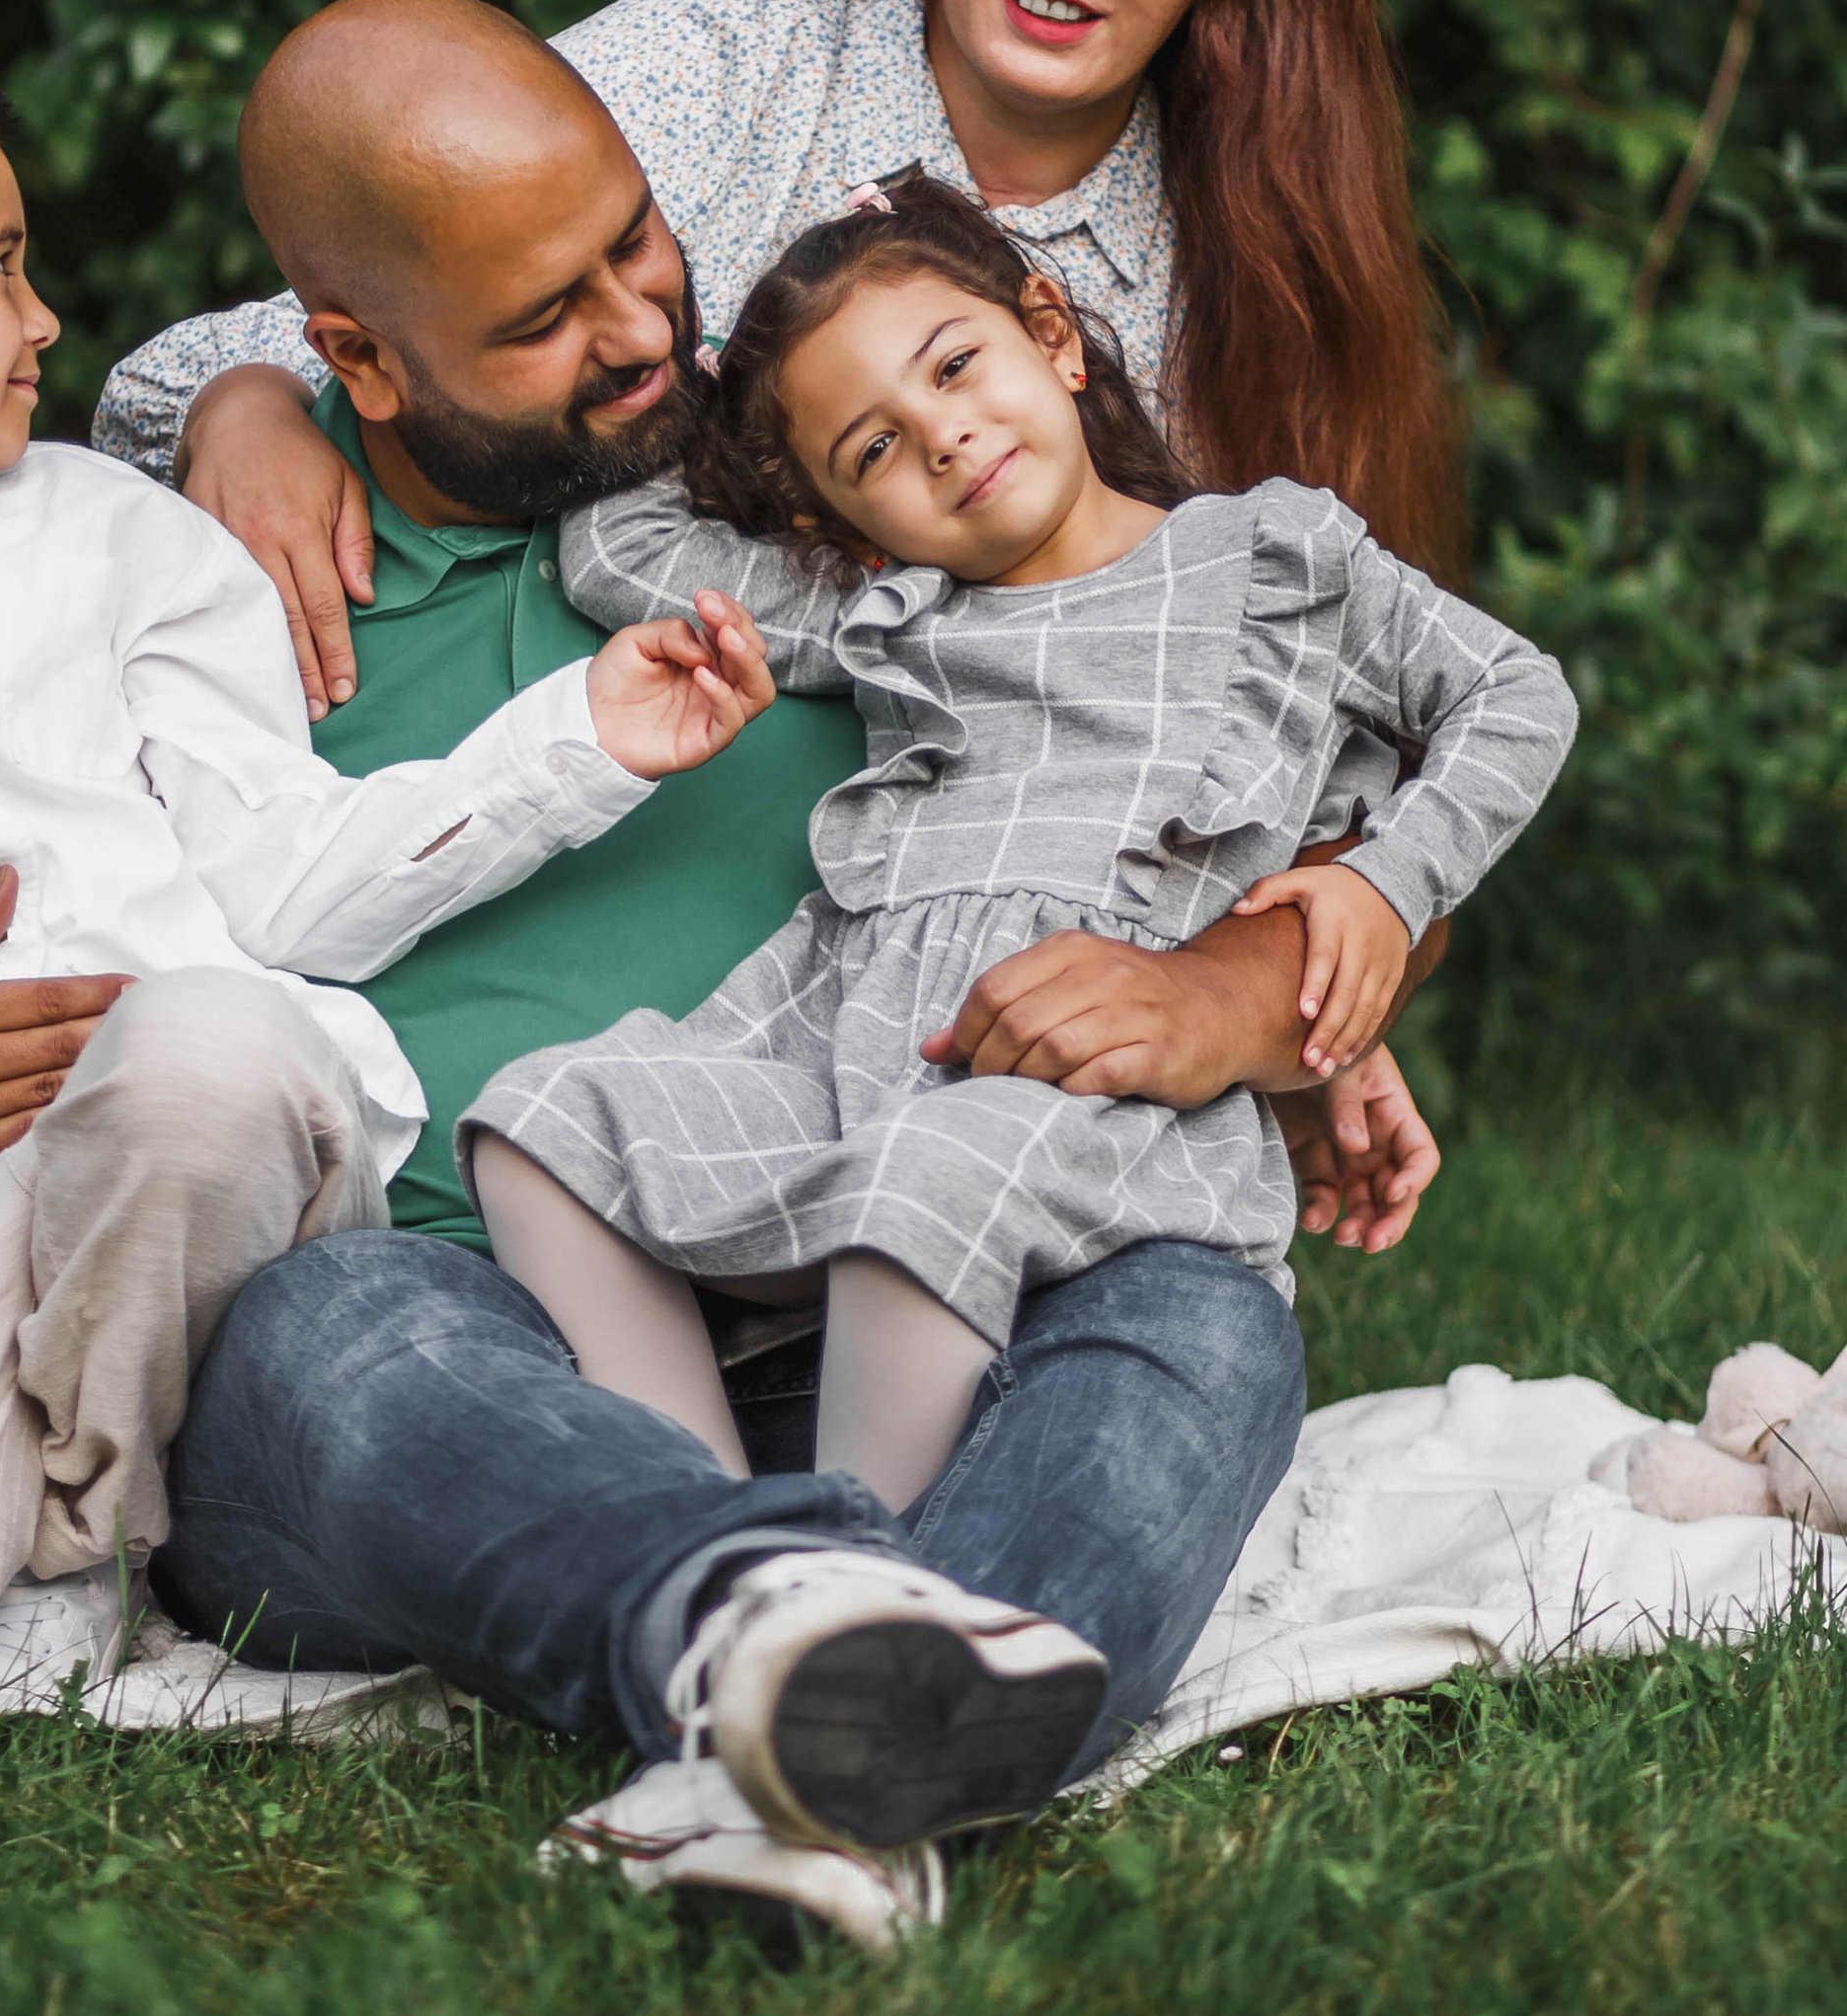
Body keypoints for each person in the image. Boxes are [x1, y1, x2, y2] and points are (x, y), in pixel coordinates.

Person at [0, 0, 1400, 1943]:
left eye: (635, 242)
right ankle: (809, 1653)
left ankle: (791, 1751)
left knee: (1198, 1312)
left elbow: (1159, 718)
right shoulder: (187, 597)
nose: (636, 332)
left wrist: (1267, 968)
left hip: (909, 1271)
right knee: (329, 1337)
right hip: (460, 1381)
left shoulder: (828, 497)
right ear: (345, 350)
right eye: (541, 317)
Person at [100, 0, 1456, 1229]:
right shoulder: (729, 62)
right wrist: (241, 402)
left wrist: (1269, 996)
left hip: (975, 991)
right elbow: (326, 304)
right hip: (578, 815)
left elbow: (1362, 765)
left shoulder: (1244, 274)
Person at [0, 40, 774, 1699]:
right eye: (5, 267)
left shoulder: (116, 531)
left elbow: (286, 885)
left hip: (216, 1166)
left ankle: (76, 1540)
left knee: (209, 1044)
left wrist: (579, 741)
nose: (45, 323)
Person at [468, 175, 1578, 1518]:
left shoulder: (1270, 559)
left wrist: (1384, 884)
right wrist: (702, 379)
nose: (940, 436)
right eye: (871, 450)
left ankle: (842, 1575)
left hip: (1094, 1091)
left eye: (955, 365)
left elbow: (1515, 695)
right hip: (849, 1058)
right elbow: (612, 544)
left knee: (925, 1174)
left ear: (1052, 332)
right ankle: (703, 1539)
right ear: (837, 520)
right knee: (539, 1117)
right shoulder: (888, 614)